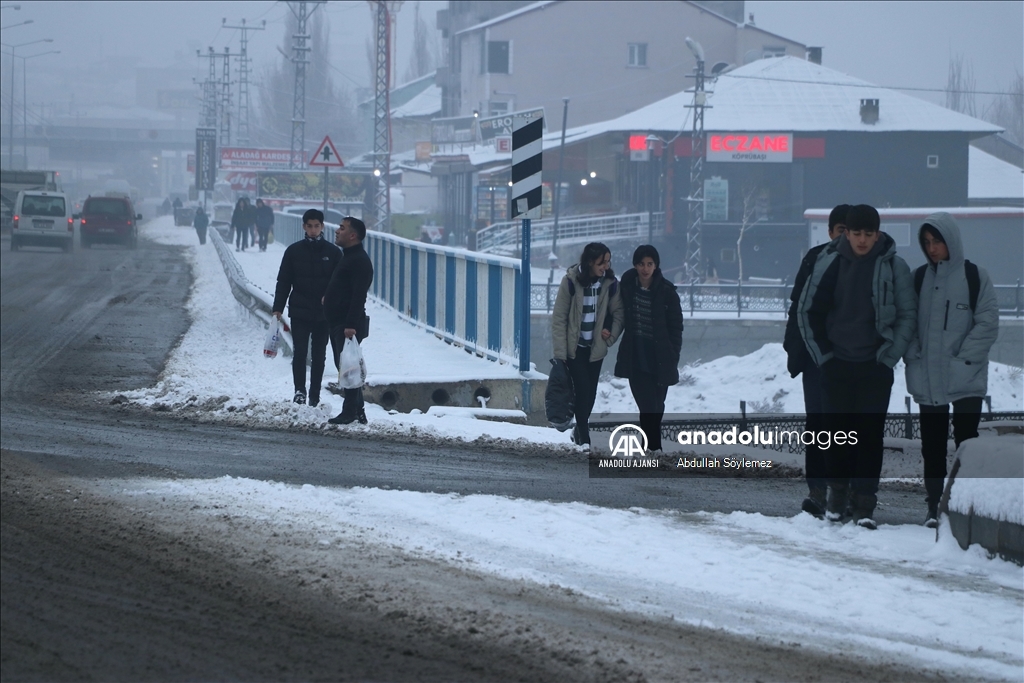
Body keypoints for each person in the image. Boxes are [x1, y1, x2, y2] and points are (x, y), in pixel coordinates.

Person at [797, 204, 916, 529]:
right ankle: (836, 498)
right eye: (856, 233)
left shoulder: (894, 266)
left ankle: (864, 503)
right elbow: (808, 312)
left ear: (877, 234)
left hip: (875, 366)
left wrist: (888, 357)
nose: (862, 240)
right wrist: (824, 357)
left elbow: (907, 315)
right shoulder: (828, 262)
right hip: (836, 365)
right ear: (845, 233)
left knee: (868, 437)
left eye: (869, 233)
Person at [905, 213, 998, 528]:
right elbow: (907, 322)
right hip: (927, 377)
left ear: (952, 241)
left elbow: (986, 324)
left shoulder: (975, 277)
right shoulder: (917, 279)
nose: (932, 248)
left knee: (966, 446)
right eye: (927, 243)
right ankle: (934, 506)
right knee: (931, 447)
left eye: (937, 241)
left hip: (966, 379)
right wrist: (913, 353)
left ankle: (965, 506)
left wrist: (963, 361)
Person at [784, 204, 849, 518]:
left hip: (850, 358)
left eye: (850, 233)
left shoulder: (864, 266)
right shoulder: (815, 259)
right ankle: (817, 489)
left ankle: (842, 490)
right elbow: (797, 306)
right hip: (815, 358)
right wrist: (795, 349)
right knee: (818, 424)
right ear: (831, 231)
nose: (845, 239)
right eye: (840, 231)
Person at [551, 242, 624, 449]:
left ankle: (579, 428)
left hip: (596, 350)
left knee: (590, 393)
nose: (606, 267)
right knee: (582, 389)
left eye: (608, 262)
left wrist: (609, 338)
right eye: (602, 263)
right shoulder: (571, 282)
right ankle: (584, 436)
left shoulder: (610, 284)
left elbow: (619, 314)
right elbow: (559, 319)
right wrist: (560, 353)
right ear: (590, 262)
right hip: (575, 349)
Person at [613, 245, 683, 453]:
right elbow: (615, 309)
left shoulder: (667, 293)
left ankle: (649, 445)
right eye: (641, 264)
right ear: (635, 265)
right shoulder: (627, 286)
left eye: (649, 264)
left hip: (661, 357)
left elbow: (676, 329)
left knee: (657, 404)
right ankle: (654, 447)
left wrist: (673, 355)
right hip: (636, 356)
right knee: (647, 405)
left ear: (656, 266)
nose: (645, 268)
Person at [272, 209, 342, 408]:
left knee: (319, 355)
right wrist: (278, 307)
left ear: (322, 227)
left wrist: (332, 301)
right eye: (309, 226)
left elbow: (340, 283)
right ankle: (299, 391)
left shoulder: (333, 252)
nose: (313, 230)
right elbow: (283, 281)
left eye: (316, 226)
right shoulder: (293, 251)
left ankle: (315, 393)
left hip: (324, 313)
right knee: (300, 352)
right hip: (300, 310)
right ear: (304, 227)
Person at [324, 216, 374, 425]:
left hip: (346, 324)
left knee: (348, 368)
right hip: (338, 321)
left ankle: (349, 411)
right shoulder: (349, 256)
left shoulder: (359, 261)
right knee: (345, 365)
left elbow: (358, 295)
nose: (337, 231)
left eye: (342, 228)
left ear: (353, 235)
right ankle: (358, 411)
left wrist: (351, 325)